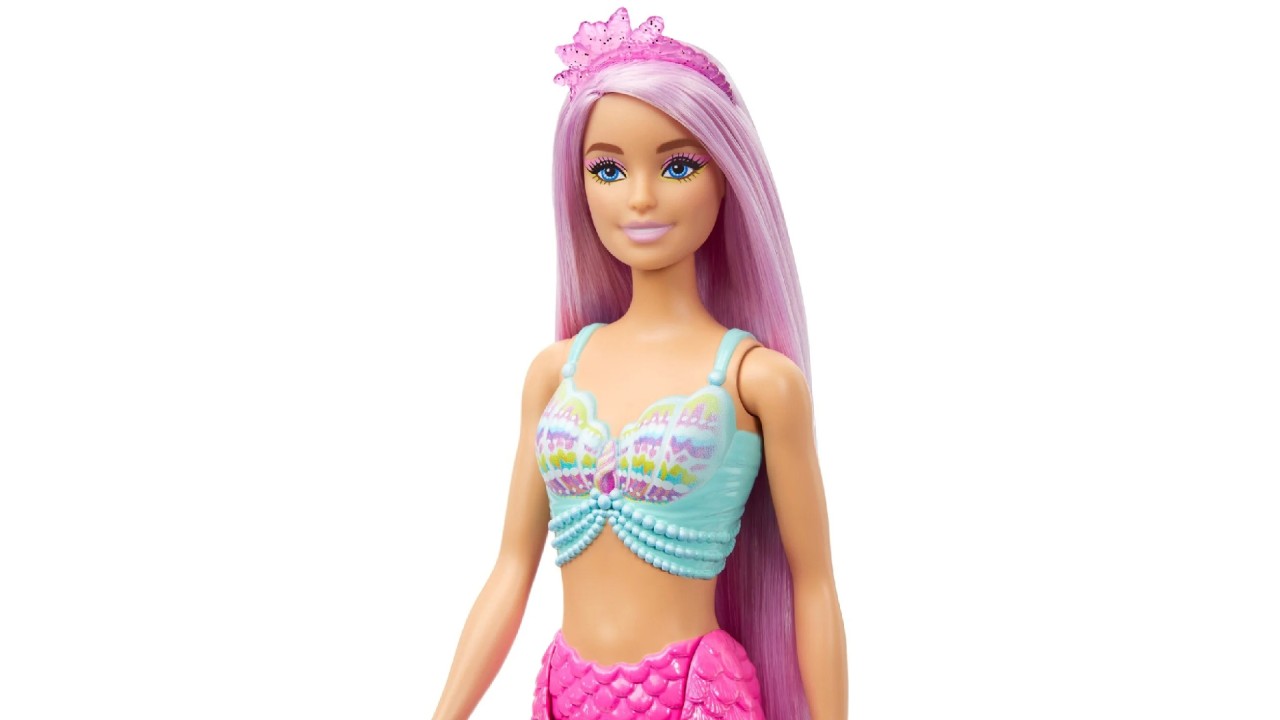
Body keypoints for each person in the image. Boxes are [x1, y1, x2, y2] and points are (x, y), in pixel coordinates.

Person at [431, 8, 847, 719]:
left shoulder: (758, 381)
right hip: (569, 692)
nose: (641, 197)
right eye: (608, 169)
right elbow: (510, 570)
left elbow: (813, 585)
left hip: (695, 696)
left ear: (727, 178)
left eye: (678, 166)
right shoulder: (554, 372)